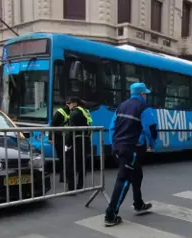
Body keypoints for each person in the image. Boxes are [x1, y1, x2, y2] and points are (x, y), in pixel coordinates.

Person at [104, 83, 158, 227]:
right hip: (131, 149)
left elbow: (112, 127)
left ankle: (138, 203)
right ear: (142, 94)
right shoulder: (143, 108)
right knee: (123, 180)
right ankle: (111, 214)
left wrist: (114, 145)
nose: (146, 96)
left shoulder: (121, 106)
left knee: (137, 173)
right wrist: (152, 144)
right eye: (145, 94)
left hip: (118, 148)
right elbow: (151, 128)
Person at [64, 97, 93, 192]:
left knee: (70, 164)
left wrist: (67, 144)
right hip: (86, 140)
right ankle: (80, 185)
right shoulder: (85, 111)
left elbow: (71, 130)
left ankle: (71, 187)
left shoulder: (74, 113)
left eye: (69, 103)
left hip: (76, 141)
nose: (68, 105)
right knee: (82, 164)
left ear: (75, 103)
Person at [50, 99, 71, 183]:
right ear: (67, 104)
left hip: (66, 139)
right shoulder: (60, 112)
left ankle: (64, 177)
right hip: (59, 139)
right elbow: (52, 126)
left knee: (66, 158)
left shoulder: (71, 112)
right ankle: (63, 177)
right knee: (63, 158)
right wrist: (50, 138)